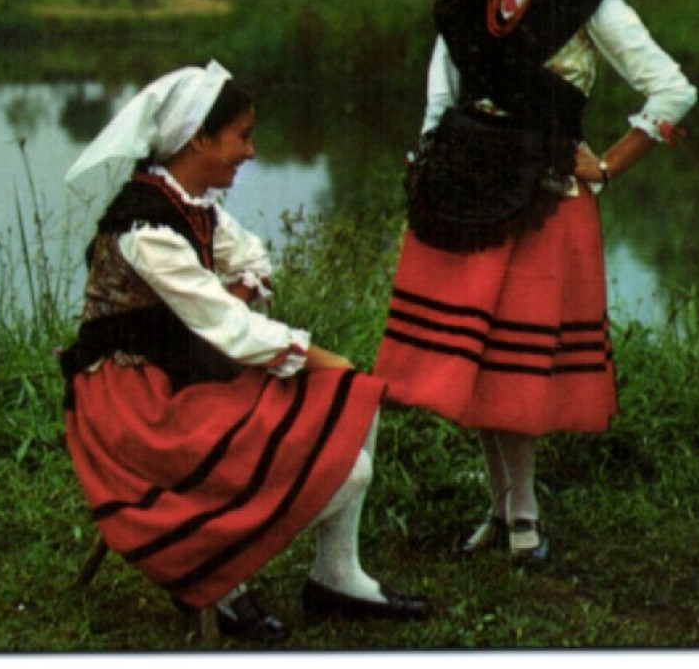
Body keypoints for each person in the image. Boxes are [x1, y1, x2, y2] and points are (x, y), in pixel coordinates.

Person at [372, 0, 697, 566]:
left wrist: (608, 163)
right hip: (462, 197)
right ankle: (502, 507)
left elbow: (673, 88)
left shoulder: (585, 1)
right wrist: (423, 175)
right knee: (476, 363)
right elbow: (438, 99)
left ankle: (523, 514)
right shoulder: (465, 3)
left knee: (511, 368)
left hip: (542, 201)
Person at [60, 61, 427, 639]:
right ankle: (217, 575)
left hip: (185, 371)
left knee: (354, 399)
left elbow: (250, 258)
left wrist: (231, 298)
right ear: (198, 138)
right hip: (134, 401)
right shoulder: (145, 228)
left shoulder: (191, 204)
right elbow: (230, 330)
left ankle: (337, 574)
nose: (251, 151)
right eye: (242, 136)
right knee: (346, 458)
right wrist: (315, 352)